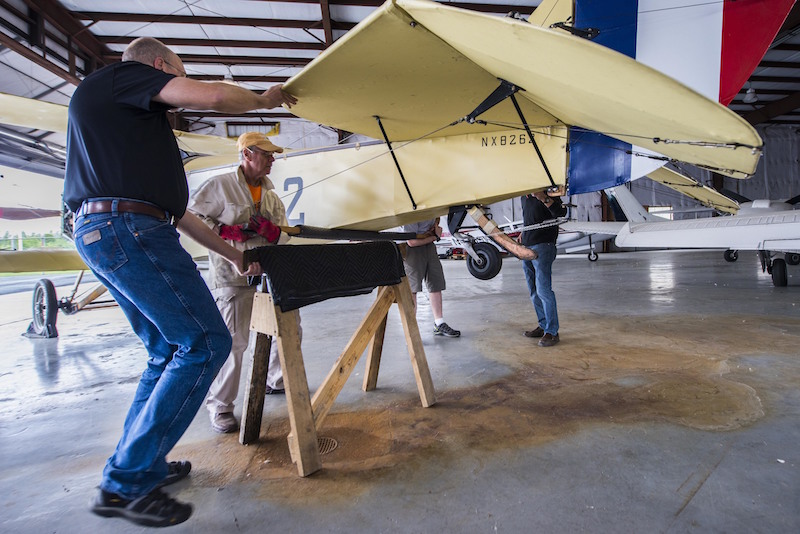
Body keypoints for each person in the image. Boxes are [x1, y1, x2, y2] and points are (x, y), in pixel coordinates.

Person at [62, 37, 296, 527]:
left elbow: (180, 215)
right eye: (173, 73)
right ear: (159, 65)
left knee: (166, 351)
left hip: (114, 230)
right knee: (206, 342)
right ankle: (126, 481)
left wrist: (236, 256)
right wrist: (265, 100)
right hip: (128, 229)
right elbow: (210, 96)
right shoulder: (122, 77)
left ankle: (140, 463)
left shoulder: (124, 134)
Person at [187, 132, 293, 434]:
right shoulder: (219, 186)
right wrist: (226, 233)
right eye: (267, 154)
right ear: (247, 154)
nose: (272, 160)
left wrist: (274, 233)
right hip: (232, 276)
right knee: (235, 341)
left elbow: (284, 233)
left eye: (273, 155)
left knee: (287, 328)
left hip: (269, 274)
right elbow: (193, 219)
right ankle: (220, 406)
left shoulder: (271, 196)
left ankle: (277, 379)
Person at [520, 190, 566, 347]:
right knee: (533, 292)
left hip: (543, 246)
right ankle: (543, 325)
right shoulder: (523, 197)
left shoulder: (547, 193)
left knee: (543, 290)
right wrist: (523, 233)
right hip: (526, 246)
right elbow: (530, 218)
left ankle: (552, 332)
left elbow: (561, 213)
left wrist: (544, 198)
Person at [401, 218, 460, 337]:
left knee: (435, 284)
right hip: (412, 250)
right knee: (412, 290)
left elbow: (435, 224)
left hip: (428, 246)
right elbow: (411, 242)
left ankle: (439, 323)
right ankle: (411, 331)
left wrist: (434, 232)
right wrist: (435, 237)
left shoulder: (432, 210)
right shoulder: (412, 214)